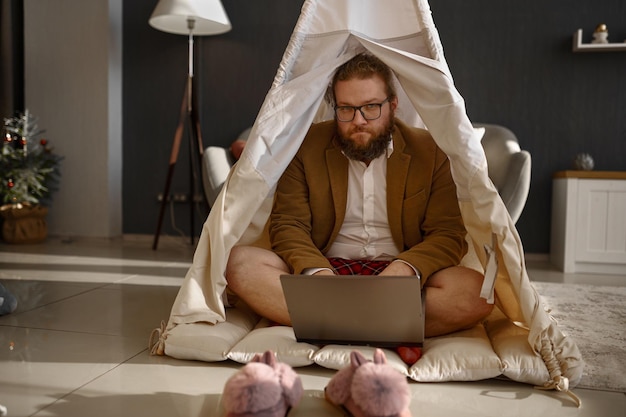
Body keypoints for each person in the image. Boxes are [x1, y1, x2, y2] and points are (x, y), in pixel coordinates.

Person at [226, 53, 493, 339]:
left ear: (392, 106)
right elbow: (288, 225)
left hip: (397, 276)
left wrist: (404, 269)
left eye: (370, 108)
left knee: (480, 292)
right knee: (239, 264)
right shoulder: (304, 146)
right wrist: (318, 273)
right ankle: (384, 326)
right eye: (346, 109)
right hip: (326, 271)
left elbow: (447, 234)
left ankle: (324, 322)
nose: (359, 120)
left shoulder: (432, 151)